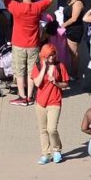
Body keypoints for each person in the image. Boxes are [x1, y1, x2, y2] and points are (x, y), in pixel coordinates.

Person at [5, 0, 55, 103]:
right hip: (33, 45)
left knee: (20, 71)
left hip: (18, 44)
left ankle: (22, 97)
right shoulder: (37, 7)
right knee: (31, 71)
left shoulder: (16, 7)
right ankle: (30, 96)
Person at [33, 29, 69, 165]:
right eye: (49, 56)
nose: (52, 58)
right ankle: (45, 154)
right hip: (41, 102)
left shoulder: (60, 67)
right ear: (44, 56)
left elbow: (65, 84)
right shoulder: (37, 66)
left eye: (53, 55)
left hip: (55, 101)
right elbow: (37, 83)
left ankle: (57, 150)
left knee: (51, 129)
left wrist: (56, 82)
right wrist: (43, 69)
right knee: (43, 130)